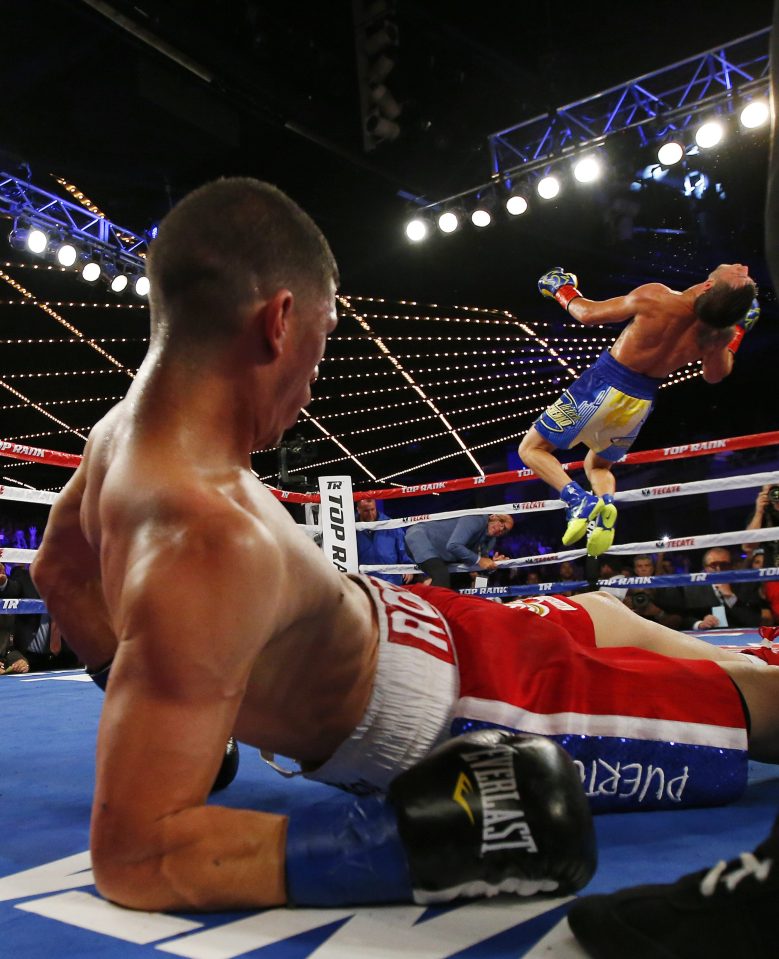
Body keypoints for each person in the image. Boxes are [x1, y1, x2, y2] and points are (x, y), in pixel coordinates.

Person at [31, 178, 779, 917]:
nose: (313, 379)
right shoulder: (205, 537)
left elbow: (57, 570)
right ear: (280, 322)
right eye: (322, 342)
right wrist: (402, 844)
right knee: (757, 705)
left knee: (605, 615)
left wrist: (170, 696)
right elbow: (139, 855)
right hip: (490, 708)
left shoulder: (116, 433)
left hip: (428, 620)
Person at [518, 264, 759, 557]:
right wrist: (737, 332)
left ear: (709, 286)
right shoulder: (717, 335)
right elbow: (715, 375)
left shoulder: (658, 297)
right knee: (597, 466)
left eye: (740, 274)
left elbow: (588, 314)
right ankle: (605, 505)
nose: (742, 266)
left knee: (531, 450)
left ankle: (577, 499)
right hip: (640, 402)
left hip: (601, 384)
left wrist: (561, 288)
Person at [403, 512, 514, 588]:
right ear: (494, 516)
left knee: (457, 581)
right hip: (420, 538)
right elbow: (453, 545)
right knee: (441, 576)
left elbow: (479, 565)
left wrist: (493, 564)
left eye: (504, 530)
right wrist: (481, 560)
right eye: (501, 523)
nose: (500, 529)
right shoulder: (477, 519)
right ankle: (429, 617)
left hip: (441, 554)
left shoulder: (490, 540)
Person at [354, 497, 414, 585]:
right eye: (366, 511)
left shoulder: (390, 524)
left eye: (372, 509)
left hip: (390, 580)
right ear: (358, 510)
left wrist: (409, 567)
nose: (371, 514)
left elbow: (403, 547)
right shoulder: (351, 527)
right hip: (364, 581)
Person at [744, 484, 779, 622]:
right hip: (773, 580)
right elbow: (747, 546)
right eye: (771, 490)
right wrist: (759, 511)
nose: (775, 493)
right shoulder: (762, 515)